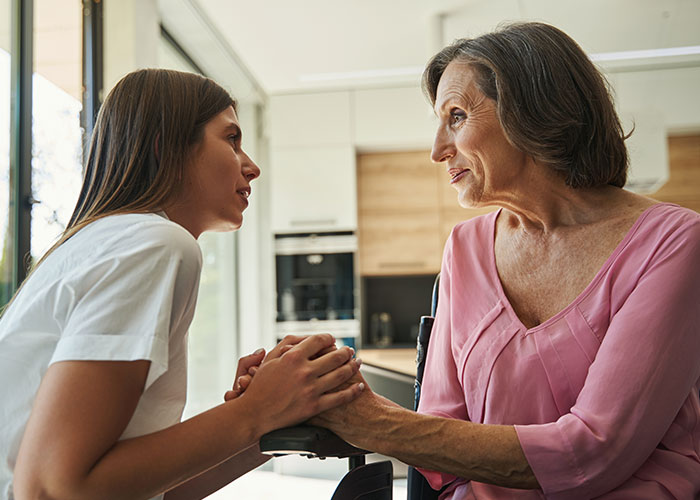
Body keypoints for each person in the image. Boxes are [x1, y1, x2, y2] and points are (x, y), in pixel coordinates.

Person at [308, 22, 700, 499]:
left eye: (456, 116)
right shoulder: (465, 247)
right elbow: (439, 432)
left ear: (532, 111)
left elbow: (598, 448)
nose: (436, 151)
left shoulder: (675, 241)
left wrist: (373, 423)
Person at [0, 68, 364, 500]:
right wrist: (253, 410)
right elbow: (51, 489)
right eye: (231, 139)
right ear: (167, 147)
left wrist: (268, 417)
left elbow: (149, 492)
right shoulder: (156, 243)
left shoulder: (104, 243)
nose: (252, 166)